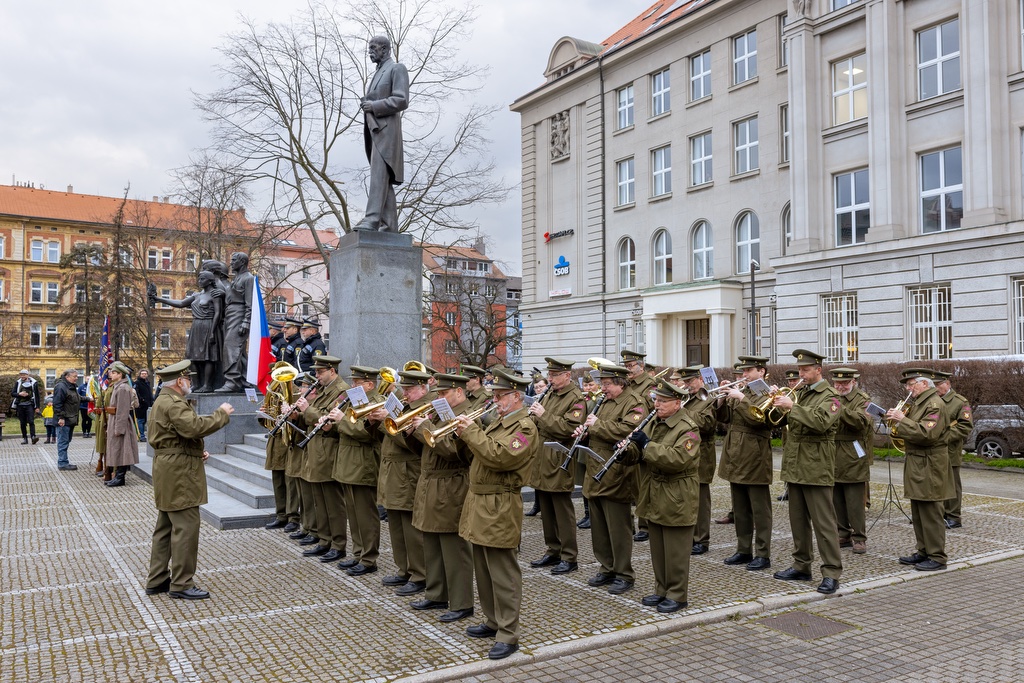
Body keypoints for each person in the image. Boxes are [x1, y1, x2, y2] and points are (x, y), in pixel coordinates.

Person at [454, 368, 538, 660]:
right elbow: (478, 453)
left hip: (500, 503)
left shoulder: (525, 428)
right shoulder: (499, 422)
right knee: (483, 567)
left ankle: (508, 632)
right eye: (496, 395)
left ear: (517, 396)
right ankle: (492, 620)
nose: (496, 400)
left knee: (502, 571)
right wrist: (462, 435)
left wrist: (471, 432)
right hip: (479, 501)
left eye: (501, 396)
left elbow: (501, 457)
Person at [145, 360, 233, 599]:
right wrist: (221, 414)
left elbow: (175, 436)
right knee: (185, 528)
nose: (190, 384)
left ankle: (158, 578)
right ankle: (182, 583)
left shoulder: (162, 401)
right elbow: (193, 427)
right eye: (188, 380)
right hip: (179, 472)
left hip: (170, 466)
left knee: (165, 527)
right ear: (180, 382)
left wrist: (194, 451)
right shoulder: (174, 403)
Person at [620, 379, 701, 613]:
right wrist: (628, 450)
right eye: (656, 400)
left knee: (675, 548)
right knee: (658, 546)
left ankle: (677, 594)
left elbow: (677, 459)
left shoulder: (688, 428)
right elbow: (640, 451)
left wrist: (646, 446)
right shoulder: (655, 421)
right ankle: (661, 589)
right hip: (654, 490)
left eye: (663, 401)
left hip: (677, 490)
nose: (657, 405)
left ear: (677, 403)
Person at [772, 349, 843, 595]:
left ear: (818, 370)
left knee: (824, 524)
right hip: (796, 466)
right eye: (799, 370)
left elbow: (822, 422)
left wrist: (792, 406)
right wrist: (779, 405)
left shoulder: (831, 396)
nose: (801, 374)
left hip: (816, 466)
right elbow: (788, 423)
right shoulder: (801, 393)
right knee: (798, 522)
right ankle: (801, 565)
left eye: (805, 370)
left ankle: (832, 572)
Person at [408, 373, 476, 622]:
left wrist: (425, 428)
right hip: (431, 482)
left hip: (451, 483)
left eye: (443, 393)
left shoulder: (465, 415)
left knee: (453, 547)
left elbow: (452, 451)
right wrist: (413, 431)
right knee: (432, 542)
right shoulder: (440, 413)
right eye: (437, 393)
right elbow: (423, 448)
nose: (438, 398)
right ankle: (436, 594)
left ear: (459, 392)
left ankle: (461, 602)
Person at [577, 364, 647, 595]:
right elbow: (598, 430)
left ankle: (624, 573)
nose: (602, 388)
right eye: (602, 383)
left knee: (618, 529)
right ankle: (606, 567)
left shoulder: (634, 402)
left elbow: (627, 431)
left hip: (617, 472)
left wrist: (596, 426)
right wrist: (585, 433)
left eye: (606, 384)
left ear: (620, 382)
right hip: (595, 470)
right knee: (599, 528)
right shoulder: (604, 401)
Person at [888, 368, 953, 571]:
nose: (908, 388)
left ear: (925, 384)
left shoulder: (934, 404)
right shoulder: (920, 403)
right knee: (918, 510)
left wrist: (902, 419)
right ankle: (923, 550)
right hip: (918, 461)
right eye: (907, 384)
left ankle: (937, 556)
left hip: (930, 463)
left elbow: (927, 433)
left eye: (911, 383)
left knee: (931, 511)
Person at [374, 369, 432, 591]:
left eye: (408, 389)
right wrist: (377, 422)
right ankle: (403, 569)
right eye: (404, 388)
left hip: (408, 472)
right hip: (393, 471)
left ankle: (419, 574)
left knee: (410, 528)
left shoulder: (425, 408)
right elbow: (384, 436)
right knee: (396, 525)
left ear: (422, 388)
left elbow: (410, 445)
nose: (404, 393)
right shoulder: (406, 405)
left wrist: (388, 422)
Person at [527, 357, 586, 575]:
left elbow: (568, 428)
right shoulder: (550, 393)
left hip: (560, 458)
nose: (550, 379)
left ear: (567, 375)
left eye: (554, 375)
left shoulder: (576, 398)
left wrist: (543, 415)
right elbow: (539, 422)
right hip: (541, 456)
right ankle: (553, 549)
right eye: (549, 375)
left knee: (562, 510)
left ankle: (570, 556)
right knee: (547, 510)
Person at [717, 356, 774, 570]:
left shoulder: (767, 393)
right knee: (740, 508)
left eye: (749, 371)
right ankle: (743, 549)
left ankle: (763, 553)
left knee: (760, 509)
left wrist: (741, 399)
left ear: (762, 372)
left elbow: (758, 419)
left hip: (755, 455)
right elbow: (723, 419)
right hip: (735, 453)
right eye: (743, 372)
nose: (744, 376)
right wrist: (722, 399)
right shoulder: (743, 391)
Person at [294, 355, 349, 563]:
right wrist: (300, 413)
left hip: (329, 451)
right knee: (320, 502)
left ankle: (338, 544)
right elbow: (317, 416)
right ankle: (325, 540)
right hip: (317, 450)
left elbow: (326, 418)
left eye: (320, 372)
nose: (317, 376)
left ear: (332, 371)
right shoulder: (325, 389)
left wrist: (307, 410)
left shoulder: (341, 390)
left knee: (333, 504)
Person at [332, 366, 386, 576]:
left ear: (369, 384)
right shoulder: (356, 400)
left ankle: (369, 558)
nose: (353, 386)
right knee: (353, 514)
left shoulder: (374, 402)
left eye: (357, 382)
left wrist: (340, 420)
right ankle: (358, 553)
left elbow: (364, 432)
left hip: (363, 465)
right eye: (353, 382)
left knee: (366, 515)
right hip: (349, 463)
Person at [353, 35, 409, 232]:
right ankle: (389, 226)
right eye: (369, 48)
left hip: (387, 132)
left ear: (385, 50)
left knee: (379, 176)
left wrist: (374, 105)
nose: (370, 52)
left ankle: (372, 220)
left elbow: (401, 100)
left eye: (374, 48)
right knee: (382, 179)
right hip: (375, 132)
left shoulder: (396, 69)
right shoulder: (378, 73)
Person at [149, 272, 225, 392]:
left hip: (208, 325)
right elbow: (180, 303)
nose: (199, 281)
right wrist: (158, 299)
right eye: (199, 278)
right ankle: (196, 383)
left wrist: (213, 331)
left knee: (208, 356)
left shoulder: (215, 295)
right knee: (193, 357)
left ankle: (207, 385)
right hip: (196, 326)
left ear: (210, 281)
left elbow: (218, 313)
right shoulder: (197, 295)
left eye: (202, 279)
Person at [830, 367, 873, 554]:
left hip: (853, 451)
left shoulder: (862, 399)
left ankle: (859, 537)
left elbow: (860, 422)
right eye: (837, 383)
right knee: (836, 498)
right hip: (833, 450)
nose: (840, 386)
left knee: (855, 500)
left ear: (854, 382)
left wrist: (839, 408)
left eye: (845, 383)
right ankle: (843, 533)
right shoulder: (830, 395)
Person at [679, 365, 718, 556]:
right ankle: (690, 536)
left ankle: (702, 539)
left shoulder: (707, 399)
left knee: (701, 499)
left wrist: (681, 411)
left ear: (701, 379)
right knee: (687, 497)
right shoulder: (686, 399)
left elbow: (707, 424)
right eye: (685, 382)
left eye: (690, 381)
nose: (687, 386)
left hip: (702, 453)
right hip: (686, 452)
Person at [621, 349, 655, 542]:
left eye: (631, 366)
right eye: (626, 366)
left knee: (642, 484)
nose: (628, 370)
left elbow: (653, 410)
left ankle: (645, 525)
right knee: (628, 484)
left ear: (641, 366)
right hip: (626, 436)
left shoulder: (650, 385)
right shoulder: (627, 384)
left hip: (642, 435)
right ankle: (628, 524)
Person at [934, 371, 973, 529]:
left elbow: (965, 426)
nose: (937, 388)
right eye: (934, 385)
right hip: (933, 450)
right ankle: (937, 513)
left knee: (952, 483)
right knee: (936, 482)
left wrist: (943, 437)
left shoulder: (959, 401)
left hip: (950, 449)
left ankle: (954, 516)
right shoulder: (932, 400)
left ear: (948, 384)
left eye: (939, 384)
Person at [216, 252, 254, 392]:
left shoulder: (248, 278)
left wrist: (246, 321)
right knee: (238, 350)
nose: (231, 263)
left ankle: (232, 380)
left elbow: (250, 303)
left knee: (231, 346)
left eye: (233, 261)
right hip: (231, 314)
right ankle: (246, 379)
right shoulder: (238, 277)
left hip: (239, 314)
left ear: (242, 262)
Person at [105, 362, 140, 488]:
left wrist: (119, 428)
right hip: (115, 420)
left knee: (122, 450)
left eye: (114, 372)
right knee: (117, 449)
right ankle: (118, 476)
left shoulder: (123, 388)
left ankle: (120, 477)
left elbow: (122, 410)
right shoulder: (117, 386)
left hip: (121, 422)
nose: (111, 374)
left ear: (120, 374)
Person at [52, 369, 81, 471]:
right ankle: (63, 463)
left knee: (66, 440)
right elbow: (57, 403)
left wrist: (89, 399)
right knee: (63, 441)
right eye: (74, 376)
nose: (76, 378)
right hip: (64, 420)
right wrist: (61, 417)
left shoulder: (70, 387)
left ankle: (63, 461)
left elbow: (75, 398)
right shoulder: (61, 387)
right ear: (67, 377)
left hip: (70, 419)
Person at [12, 369, 42, 445]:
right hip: (20, 405)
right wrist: (19, 394)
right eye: (21, 375)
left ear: (27, 375)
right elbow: (13, 393)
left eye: (24, 374)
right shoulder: (18, 382)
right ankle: (25, 438)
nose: (22, 376)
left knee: (31, 421)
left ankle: (33, 437)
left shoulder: (34, 383)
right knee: (22, 423)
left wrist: (37, 407)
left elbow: (37, 396)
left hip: (30, 405)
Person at [134, 369, 154, 442]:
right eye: (142, 374)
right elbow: (136, 393)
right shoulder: (137, 383)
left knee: (146, 420)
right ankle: (141, 436)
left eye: (145, 374)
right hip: (141, 406)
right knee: (140, 420)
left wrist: (151, 400)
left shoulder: (147, 383)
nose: (144, 375)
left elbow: (149, 393)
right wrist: (141, 400)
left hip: (148, 405)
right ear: (140, 374)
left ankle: (144, 435)